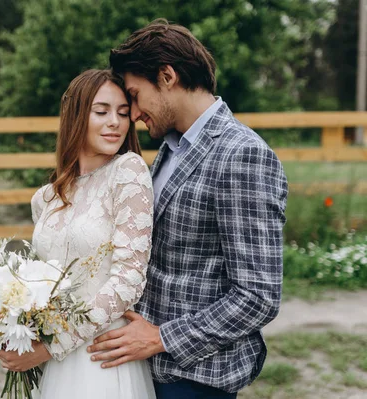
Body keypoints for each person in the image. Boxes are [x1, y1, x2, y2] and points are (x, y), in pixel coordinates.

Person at [86, 19, 288, 399]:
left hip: (197, 378)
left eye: (134, 94)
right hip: (149, 369)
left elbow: (257, 296)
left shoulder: (242, 154)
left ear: (166, 76)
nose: (132, 110)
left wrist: (163, 337)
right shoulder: (171, 147)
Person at [0, 69, 156, 398]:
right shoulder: (46, 198)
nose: (115, 122)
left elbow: (128, 280)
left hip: (102, 354)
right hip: (53, 362)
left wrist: (54, 344)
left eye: (123, 113)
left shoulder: (128, 172)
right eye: (102, 111)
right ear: (76, 115)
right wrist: (16, 325)